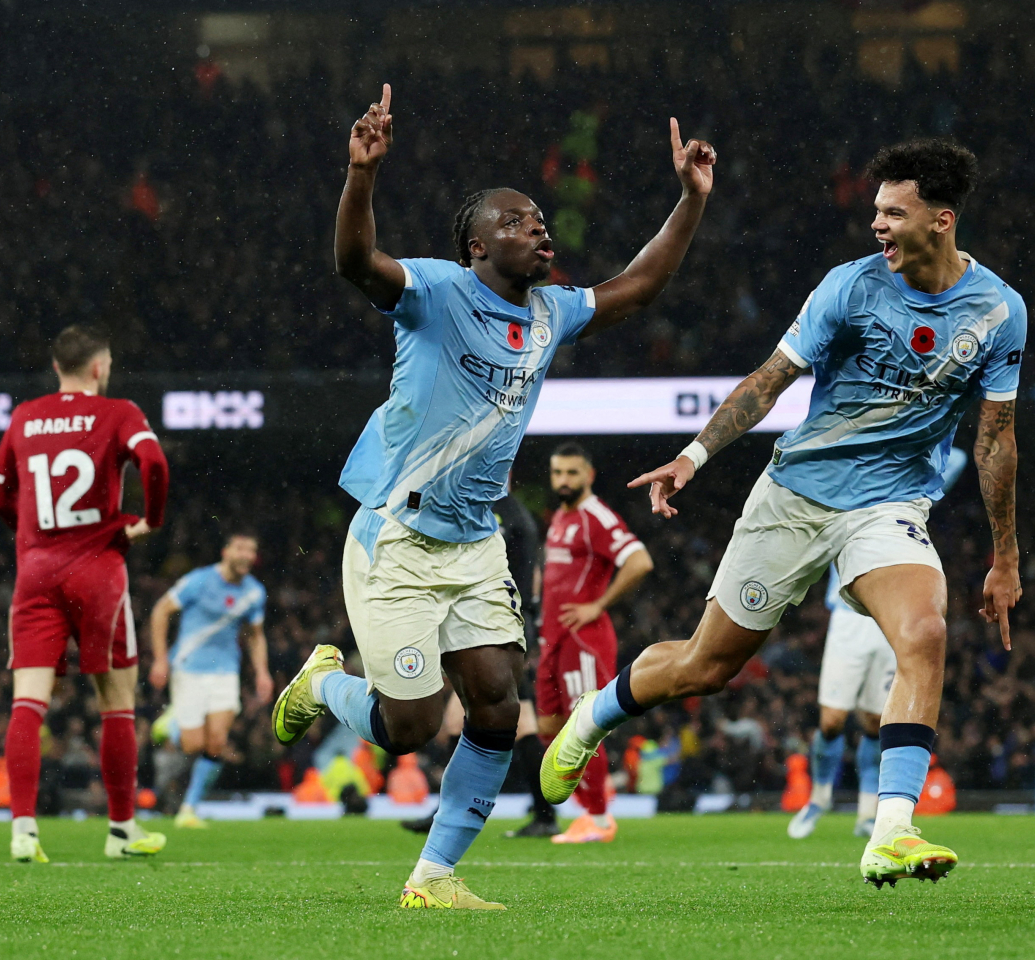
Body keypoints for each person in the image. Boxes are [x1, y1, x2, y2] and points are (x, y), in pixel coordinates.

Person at [271, 84, 715, 910]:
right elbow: (353, 264)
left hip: (474, 542)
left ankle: (433, 879)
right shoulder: (436, 292)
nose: (536, 228)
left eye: (540, 219)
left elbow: (641, 285)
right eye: (515, 222)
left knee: (495, 705)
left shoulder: (550, 312)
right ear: (476, 248)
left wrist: (688, 201)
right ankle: (322, 683)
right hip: (397, 534)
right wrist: (360, 174)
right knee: (406, 725)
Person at [543, 138, 1025, 889]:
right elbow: (769, 382)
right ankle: (595, 716)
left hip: (888, 503)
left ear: (941, 219)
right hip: (795, 497)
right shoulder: (849, 288)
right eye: (874, 212)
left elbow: (996, 440)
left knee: (925, 632)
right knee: (705, 668)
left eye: (893, 214)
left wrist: (1006, 557)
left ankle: (891, 831)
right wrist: (692, 457)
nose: (877, 226)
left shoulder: (998, 312)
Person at [0, 324, 170, 862]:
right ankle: (121, 832)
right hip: (97, 570)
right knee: (116, 704)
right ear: (98, 367)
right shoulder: (118, 413)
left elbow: (0, 495)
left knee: (28, 702)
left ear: (55, 368)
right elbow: (155, 464)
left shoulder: (25, 416)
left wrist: (31, 535)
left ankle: (23, 830)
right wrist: (149, 522)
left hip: (36, 573)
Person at [790, 447, 967, 840]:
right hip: (847, 616)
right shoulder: (844, 482)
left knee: (874, 720)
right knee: (832, 721)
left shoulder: (906, 488)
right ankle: (818, 800)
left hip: (889, 614)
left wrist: (914, 442)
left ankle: (869, 811)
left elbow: (957, 459)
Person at [398, 490, 562, 838]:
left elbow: (527, 573)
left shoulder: (509, 515)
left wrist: (524, 618)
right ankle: (460, 811)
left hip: (500, 625)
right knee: (469, 719)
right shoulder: (491, 508)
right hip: (490, 624)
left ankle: (538, 814)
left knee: (517, 722)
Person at [536, 442, 653, 844]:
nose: (563, 480)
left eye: (571, 472)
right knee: (549, 727)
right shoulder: (560, 517)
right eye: (557, 473)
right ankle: (591, 804)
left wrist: (596, 605)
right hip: (552, 641)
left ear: (589, 475)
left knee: (583, 726)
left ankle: (599, 818)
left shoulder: (595, 516)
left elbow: (640, 561)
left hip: (582, 641)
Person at [148, 531, 272, 828]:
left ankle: (188, 810)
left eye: (252, 550)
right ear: (225, 551)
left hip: (225, 671)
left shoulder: (254, 592)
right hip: (188, 668)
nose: (246, 555)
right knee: (193, 745)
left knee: (216, 743)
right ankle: (170, 725)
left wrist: (263, 672)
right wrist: (161, 658)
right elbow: (161, 611)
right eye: (241, 548)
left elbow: (256, 636)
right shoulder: (199, 581)